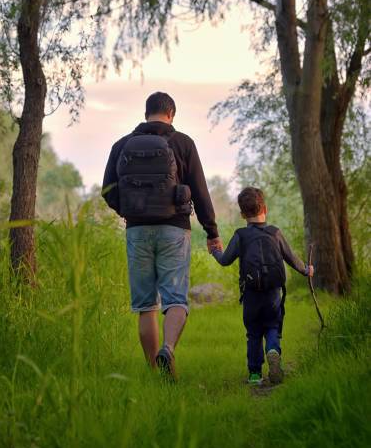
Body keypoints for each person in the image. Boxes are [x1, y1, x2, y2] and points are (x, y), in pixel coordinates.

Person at [102, 91, 221, 380]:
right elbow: (201, 192)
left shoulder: (122, 145)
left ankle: (155, 372)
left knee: (146, 306)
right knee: (176, 300)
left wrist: (128, 211)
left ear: (146, 114)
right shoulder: (183, 143)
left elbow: (108, 189)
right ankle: (167, 348)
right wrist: (212, 232)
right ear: (171, 115)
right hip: (174, 229)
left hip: (137, 230)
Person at [208, 186, 314, 385]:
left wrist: (215, 251)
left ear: (242, 214)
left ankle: (255, 374)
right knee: (272, 326)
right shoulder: (275, 233)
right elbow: (292, 259)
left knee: (254, 333)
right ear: (265, 209)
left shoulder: (240, 235)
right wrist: (307, 270)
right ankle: (273, 352)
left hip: (251, 294)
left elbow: (225, 260)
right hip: (273, 293)